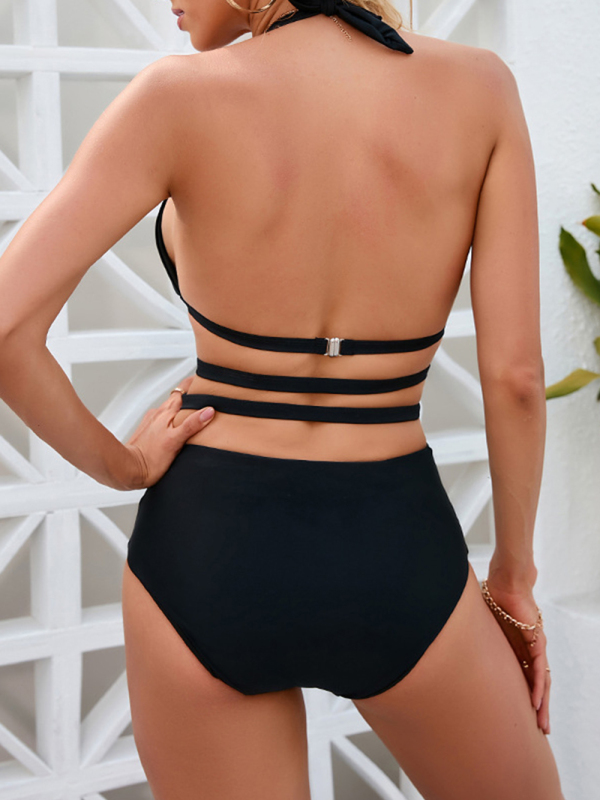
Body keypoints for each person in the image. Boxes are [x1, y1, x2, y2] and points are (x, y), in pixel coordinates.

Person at [0, 0, 566, 796]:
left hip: (206, 550)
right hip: (397, 545)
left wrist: (126, 466)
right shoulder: (481, 88)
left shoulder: (173, 97)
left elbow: (6, 330)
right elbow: (516, 379)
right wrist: (512, 582)